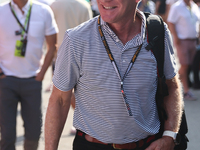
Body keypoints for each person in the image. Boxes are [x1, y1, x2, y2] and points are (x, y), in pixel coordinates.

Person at [45, 0, 183, 150]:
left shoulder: (157, 32)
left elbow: (172, 86)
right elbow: (59, 100)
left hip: (147, 145)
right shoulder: (76, 39)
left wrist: (170, 135)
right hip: (91, 146)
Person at [0, 0, 58, 149]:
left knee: (33, 132)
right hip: (6, 80)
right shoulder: (1, 11)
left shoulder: (43, 11)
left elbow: (52, 46)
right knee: (7, 134)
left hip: (33, 80)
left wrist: (41, 75)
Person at [50, 0, 92, 135]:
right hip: (83, 53)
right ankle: (80, 123)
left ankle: (77, 123)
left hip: (60, 54)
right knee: (82, 92)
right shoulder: (84, 5)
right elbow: (92, 30)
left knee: (60, 94)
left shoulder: (54, 5)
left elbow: (50, 31)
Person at [168, 0, 200, 100]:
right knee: (185, 66)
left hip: (193, 41)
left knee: (188, 65)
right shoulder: (176, 6)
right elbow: (170, 21)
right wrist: (176, 37)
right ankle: (185, 91)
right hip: (182, 41)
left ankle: (173, 83)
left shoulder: (194, 5)